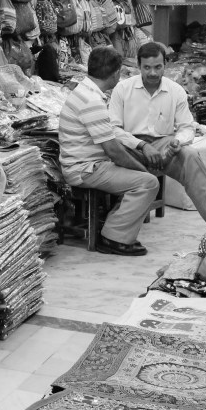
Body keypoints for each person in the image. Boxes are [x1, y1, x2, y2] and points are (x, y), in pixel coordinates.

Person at [108, 42, 206, 239]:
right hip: (130, 146)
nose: (153, 72)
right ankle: (116, 231)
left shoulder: (175, 91)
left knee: (190, 157)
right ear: (139, 66)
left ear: (165, 65)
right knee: (120, 149)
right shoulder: (122, 89)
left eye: (158, 67)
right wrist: (142, 146)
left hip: (164, 144)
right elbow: (113, 128)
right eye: (147, 67)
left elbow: (186, 126)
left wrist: (177, 143)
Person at [60, 46, 160, 256]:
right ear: (116, 74)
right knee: (148, 183)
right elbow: (114, 151)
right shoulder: (92, 102)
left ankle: (114, 228)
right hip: (85, 169)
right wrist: (143, 170)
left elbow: (111, 133)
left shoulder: (85, 91)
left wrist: (139, 147)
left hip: (87, 163)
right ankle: (113, 238)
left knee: (137, 166)